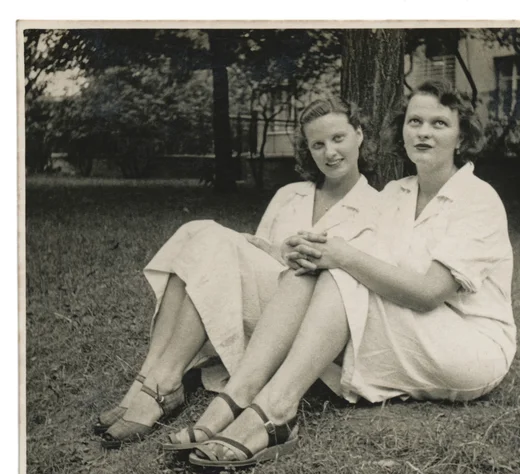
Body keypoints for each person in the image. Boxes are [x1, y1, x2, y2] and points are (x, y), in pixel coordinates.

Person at [188, 80, 516, 468]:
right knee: (311, 271)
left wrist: (342, 256)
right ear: (403, 131)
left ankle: (275, 409)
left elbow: (429, 291)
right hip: (409, 320)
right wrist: (294, 252)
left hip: (467, 342)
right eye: (415, 122)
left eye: (439, 124)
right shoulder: (397, 193)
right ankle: (238, 395)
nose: (424, 132)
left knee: (342, 269)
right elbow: (355, 257)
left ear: (461, 137)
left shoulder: (477, 198)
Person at [97, 97, 382, 449]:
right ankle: (152, 376)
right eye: (318, 144)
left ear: (359, 135)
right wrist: (275, 251)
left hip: (309, 326)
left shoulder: (379, 207)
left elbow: (353, 284)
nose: (330, 153)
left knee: (211, 239)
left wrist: (295, 256)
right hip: (261, 310)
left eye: (339, 139)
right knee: (198, 233)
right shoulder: (290, 194)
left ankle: (162, 383)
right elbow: (256, 251)